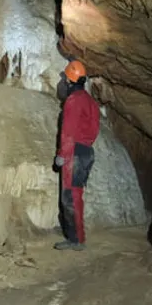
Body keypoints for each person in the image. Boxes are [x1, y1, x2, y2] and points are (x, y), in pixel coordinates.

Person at [53, 60, 100, 251]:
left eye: (65, 79)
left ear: (70, 80)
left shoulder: (74, 100)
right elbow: (94, 129)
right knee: (76, 195)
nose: (63, 83)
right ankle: (75, 236)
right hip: (86, 150)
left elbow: (68, 131)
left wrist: (62, 154)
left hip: (74, 152)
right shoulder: (90, 101)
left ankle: (76, 239)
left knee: (70, 197)